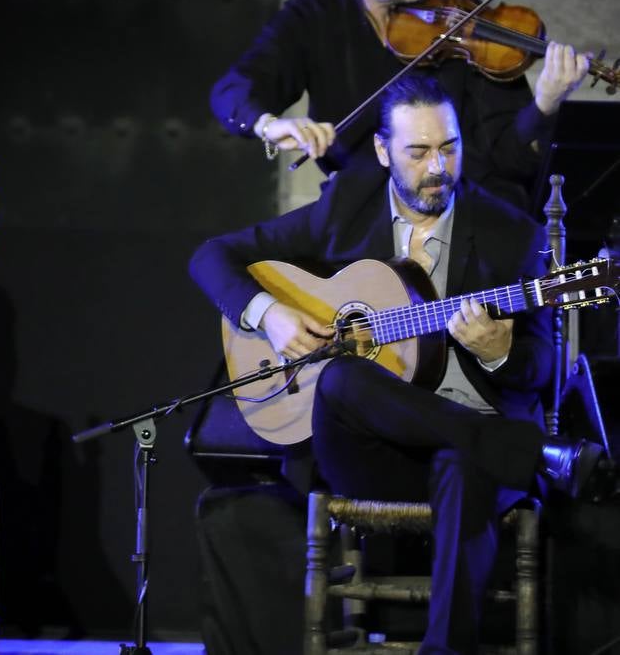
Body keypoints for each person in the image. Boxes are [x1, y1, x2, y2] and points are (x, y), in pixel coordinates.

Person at [190, 72, 611, 653]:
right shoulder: (345, 207)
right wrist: (269, 315)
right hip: (372, 454)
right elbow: (212, 257)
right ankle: (526, 452)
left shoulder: (512, 232)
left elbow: (545, 369)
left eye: (450, 147)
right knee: (339, 376)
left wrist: (501, 352)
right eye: (418, 152)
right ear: (385, 152)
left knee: (467, 463)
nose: (438, 167)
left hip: (470, 450)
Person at [210, 0, 594, 211]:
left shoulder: (461, 22)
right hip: (363, 219)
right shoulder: (316, 17)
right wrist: (267, 124)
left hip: (470, 217)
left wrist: (545, 104)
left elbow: (512, 161)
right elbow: (233, 90)